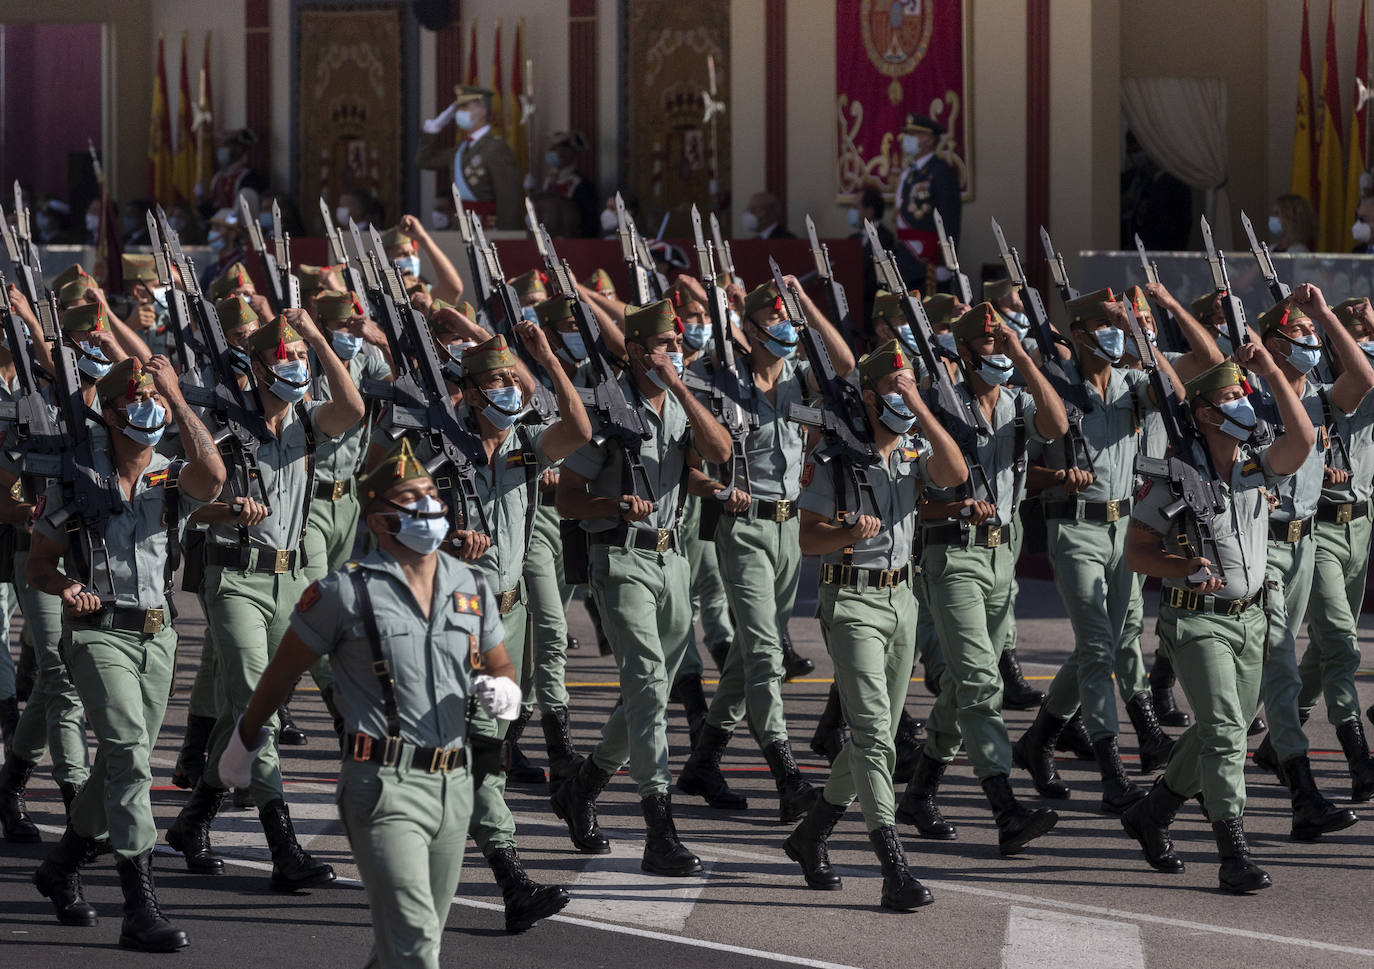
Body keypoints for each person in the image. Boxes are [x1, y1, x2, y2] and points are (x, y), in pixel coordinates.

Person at [219, 439, 520, 969]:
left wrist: (504, 691)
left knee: (406, 943)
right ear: (380, 521)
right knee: (418, 945)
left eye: (432, 497)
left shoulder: (470, 584)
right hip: (383, 786)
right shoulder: (343, 591)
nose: (429, 510)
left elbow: (498, 664)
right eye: (412, 501)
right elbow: (281, 672)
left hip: (454, 785)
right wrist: (245, 741)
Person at [27, 357, 225, 952]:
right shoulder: (75, 481)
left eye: (155, 400)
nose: (150, 410)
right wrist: (66, 587)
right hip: (98, 633)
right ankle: (140, 906)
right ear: (109, 416)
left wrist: (177, 397)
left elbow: (212, 476)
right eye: (137, 401)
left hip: (159, 637)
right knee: (129, 757)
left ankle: (59, 867)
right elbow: (38, 564)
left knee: (120, 763)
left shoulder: (169, 477)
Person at [163, 311, 363, 891]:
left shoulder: (306, 421)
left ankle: (191, 821)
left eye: (300, 358)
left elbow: (349, 408)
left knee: (241, 713)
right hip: (236, 581)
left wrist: (320, 339)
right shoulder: (225, 425)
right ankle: (284, 848)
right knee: (261, 706)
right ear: (254, 369)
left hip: (292, 581)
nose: (295, 367)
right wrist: (227, 509)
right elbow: (185, 499)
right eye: (285, 358)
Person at [783, 340, 966, 911]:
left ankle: (810, 835)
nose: (904, 396)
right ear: (867, 397)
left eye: (910, 386)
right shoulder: (834, 460)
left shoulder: (912, 452)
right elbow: (807, 537)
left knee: (878, 737)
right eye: (894, 388)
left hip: (902, 600)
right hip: (852, 602)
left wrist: (920, 402)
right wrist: (847, 535)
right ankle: (893, 865)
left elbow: (955, 471)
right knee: (868, 735)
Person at [552, 297, 732, 875]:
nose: (672, 354)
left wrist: (680, 390)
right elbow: (567, 497)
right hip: (620, 559)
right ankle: (660, 830)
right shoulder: (606, 408)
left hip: (674, 561)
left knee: (649, 689)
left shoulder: (680, 403)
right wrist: (614, 504)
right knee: (650, 689)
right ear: (631, 350)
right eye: (661, 347)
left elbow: (720, 451)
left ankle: (583, 785)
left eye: (677, 345)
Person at [1123, 350, 1314, 893]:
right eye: (1230, 397)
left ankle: (1153, 811)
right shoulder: (1174, 480)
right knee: (1229, 733)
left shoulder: (1255, 465)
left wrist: (1272, 372)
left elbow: (1301, 442)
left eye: (1242, 394)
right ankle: (1233, 852)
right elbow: (1137, 552)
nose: (1242, 403)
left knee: (1216, 729)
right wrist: (1181, 566)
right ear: (1203, 413)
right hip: (1197, 621)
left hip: (1252, 620)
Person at [899, 302, 1067, 855]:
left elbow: (1058, 424)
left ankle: (921, 790)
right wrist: (956, 510)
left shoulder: (1018, 403)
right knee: (979, 684)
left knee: (962, 688)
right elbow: (916, 500)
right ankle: (1005, 805)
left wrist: (1022, 354)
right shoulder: (940, 412)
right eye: (993, 347)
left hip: (1001, 560)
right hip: (953, 559)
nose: (1001, 356)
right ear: (966, 354)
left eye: (1006, 346)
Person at [1016, 289, 1184, 813]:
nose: (1120, 331)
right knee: (1096, 646)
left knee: (1111, 642)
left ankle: (1039, 739)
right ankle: (1112, 768)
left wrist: (1139, 334)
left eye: (1124, 324)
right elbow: (1019, 468)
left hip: (1125, 531)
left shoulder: (1132, 383)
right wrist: (1057, 476)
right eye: (1110, 324)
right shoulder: (1055, 389)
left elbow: (1175, 395)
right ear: (1082, 333)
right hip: (1078, 529)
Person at [1246, 287, 1371, 840]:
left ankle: (1171, 797)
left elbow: (1363, 379)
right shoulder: (1250, 402)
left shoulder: (1320, 398)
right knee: (1281, 664)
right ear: (1273, 343)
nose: (1312, 345)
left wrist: (1324, 313)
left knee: (1265, 677)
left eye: (1315, 337)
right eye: (1300, 337)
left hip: (1305, 542)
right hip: (1261, 546)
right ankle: (1307, 791)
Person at [1301, 296, 1374, 801]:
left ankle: (1277, 738)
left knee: (1325, 649)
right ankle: (1357, 758)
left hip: (1361, 528)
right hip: (1320, 531)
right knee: (1342, 646)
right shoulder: (1314, 388)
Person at [417, 86, 521, 230]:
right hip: (460, 225)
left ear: (483, 111)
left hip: (486, 227)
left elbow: (508, 198)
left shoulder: (496, 148)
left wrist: (505, 236)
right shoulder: (461, 148)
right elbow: (425, 161)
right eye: (458, 108)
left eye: (465, 107)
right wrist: (433, 128)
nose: (459, 113)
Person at [892, 113, 960, 292]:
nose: (906, 138)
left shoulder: (941, 172)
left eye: (913, 134)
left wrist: (946, 262)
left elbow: (949, 219)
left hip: (929, 263)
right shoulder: (909, 174)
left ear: (929, 140)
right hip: (907, 260)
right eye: (906, 133)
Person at [531, 131, 599, 238]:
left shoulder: (581, 184)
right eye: (552, 148)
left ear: (569, 152)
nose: (553, 152)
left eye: (557, 148)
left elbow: (588, 223)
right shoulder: (548, 181)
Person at [850, 186, 896, 338]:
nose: (853, 212)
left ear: (869, 211)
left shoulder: (885, 238)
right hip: (853, 307)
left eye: (856, 207)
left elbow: (878, 278)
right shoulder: (853, 238)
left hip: (872, 310)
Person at [205, 128, 268, 217]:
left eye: (226, 145)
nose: (221, 150)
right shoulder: (217, 177)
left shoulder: (251, 177)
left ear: (239, 148)